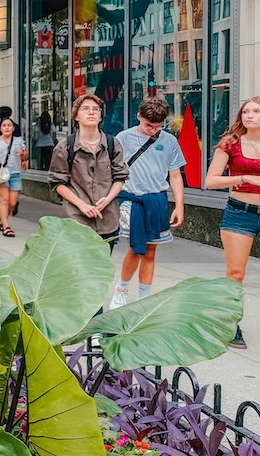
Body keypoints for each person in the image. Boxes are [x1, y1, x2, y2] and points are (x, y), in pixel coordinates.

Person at [109, 97, 186, 310]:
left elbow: (175, 176)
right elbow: (112, 170)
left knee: (151, 250)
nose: (153, 131)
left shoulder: (169, 141)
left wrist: (179, 206)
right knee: (136, 247)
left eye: (158, 127)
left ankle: (144, 296)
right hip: (130, 198)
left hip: (156, 199)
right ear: (139, 117)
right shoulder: (123, 138)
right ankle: (122, 289)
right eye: (148, 125)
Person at [205, 96, 260, 349]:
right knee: (236, 274)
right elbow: (211, 181)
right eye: (246, 111)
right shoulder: (231, 143)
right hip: (241, 212)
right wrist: (243, 178)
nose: (250, 115)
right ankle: (230, 325)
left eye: (256, 111)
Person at [48, 94, 129, 246]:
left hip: (107, 218)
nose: (91, 112)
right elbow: (57, 182)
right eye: (85, 109)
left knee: (102, 267)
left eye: (96, 110)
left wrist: (108, 199)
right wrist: (82, 205)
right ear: (76, 116)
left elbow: (120, 177)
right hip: (76, 218)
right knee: (79, 268)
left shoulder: (113, 144)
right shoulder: (65, 147)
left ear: (100, 117)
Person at [0, 117, 27, 237]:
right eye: (4, 125)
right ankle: (6, 226)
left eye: (9, 125)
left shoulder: (19, 141)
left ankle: (3, 217)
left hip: (15, 173)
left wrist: (24, 155)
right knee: (4, 200)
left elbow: (25, 157)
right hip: (0, 174)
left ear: (13, 128)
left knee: (12, 202)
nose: (7, 127)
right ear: (0, 128)